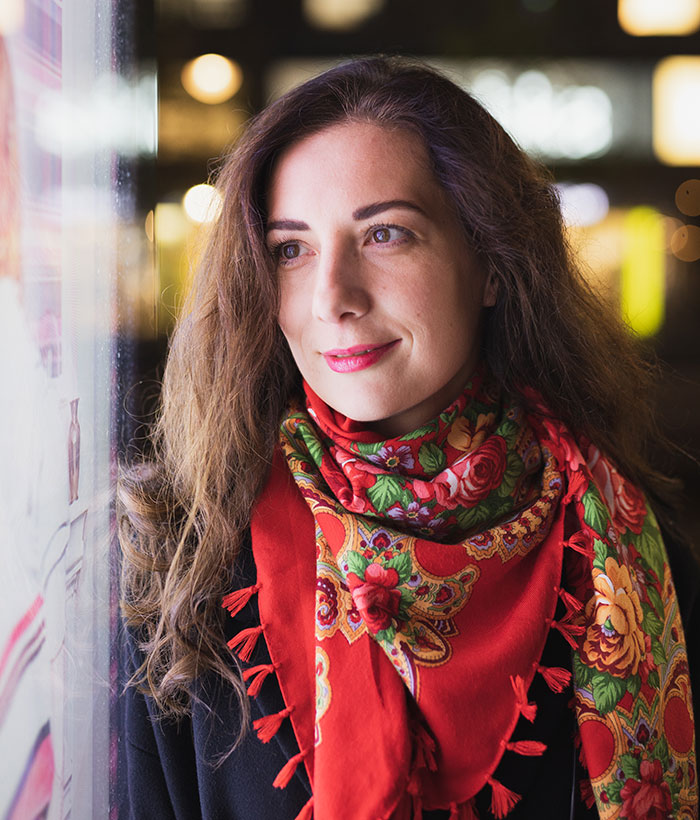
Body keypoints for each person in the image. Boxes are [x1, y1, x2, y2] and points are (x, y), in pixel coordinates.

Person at [118, 56, 699, 820]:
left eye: (386, 234)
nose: (333, 298)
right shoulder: (178, 564)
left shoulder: (634, 558)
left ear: (490, 261)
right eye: (291, 248)